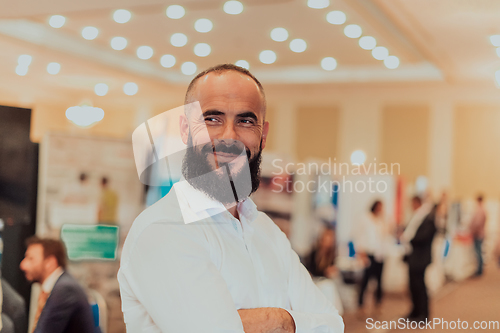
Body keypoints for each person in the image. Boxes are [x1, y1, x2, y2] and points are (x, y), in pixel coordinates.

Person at [118, 64, 344, 332]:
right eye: (212, 119)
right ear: (185, 129)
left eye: (245, 121)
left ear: (263, 136)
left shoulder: (265, 230)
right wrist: (286, 319)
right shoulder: (162, 229)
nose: (229, 136)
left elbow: (332, 324)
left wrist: (276, 321)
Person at [19, 237, 95, 333]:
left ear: (50, 263)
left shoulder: (65, 289)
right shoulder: (60, 285)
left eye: (31, 259)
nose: (23, 265)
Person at [401, 196, 436, 322]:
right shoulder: (416, 217)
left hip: (420, 258)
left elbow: (423, 237)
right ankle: (415, 311)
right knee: (413, 286)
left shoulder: (427, 218)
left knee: (420, 286)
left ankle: (423, 313)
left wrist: (409, 238)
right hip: (413, 256)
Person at [355, 200, 390, 315]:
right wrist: (361, 251)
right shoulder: (365, 218)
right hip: (369, 253)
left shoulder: (381, 221)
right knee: (365, 280)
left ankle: (378, 304)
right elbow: (359, 235)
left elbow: (384, 236)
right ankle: (361, 305)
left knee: (379, 281)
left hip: (380, 254)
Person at [469, 194, 486, 276]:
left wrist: (472, 230)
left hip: (478, 234)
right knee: (479, 251)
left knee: (478, 252)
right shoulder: (483, 209)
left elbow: (477, 223)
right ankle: (480, 268)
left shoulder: (480, 210)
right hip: (480, 233)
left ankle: (479, 269)